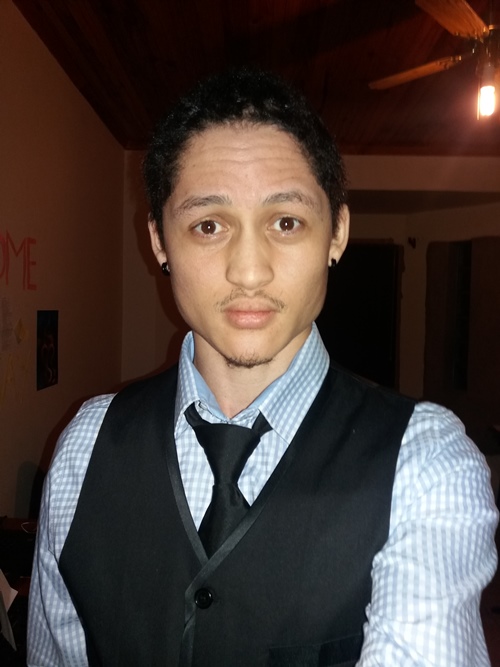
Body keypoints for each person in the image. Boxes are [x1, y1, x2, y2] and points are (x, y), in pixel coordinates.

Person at [27, 68, 498, 667]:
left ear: (337, 232)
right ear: (160, 242)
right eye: (208, 226)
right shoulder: (84, 447)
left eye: (285, 222)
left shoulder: (426, 463)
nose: (249, 271)